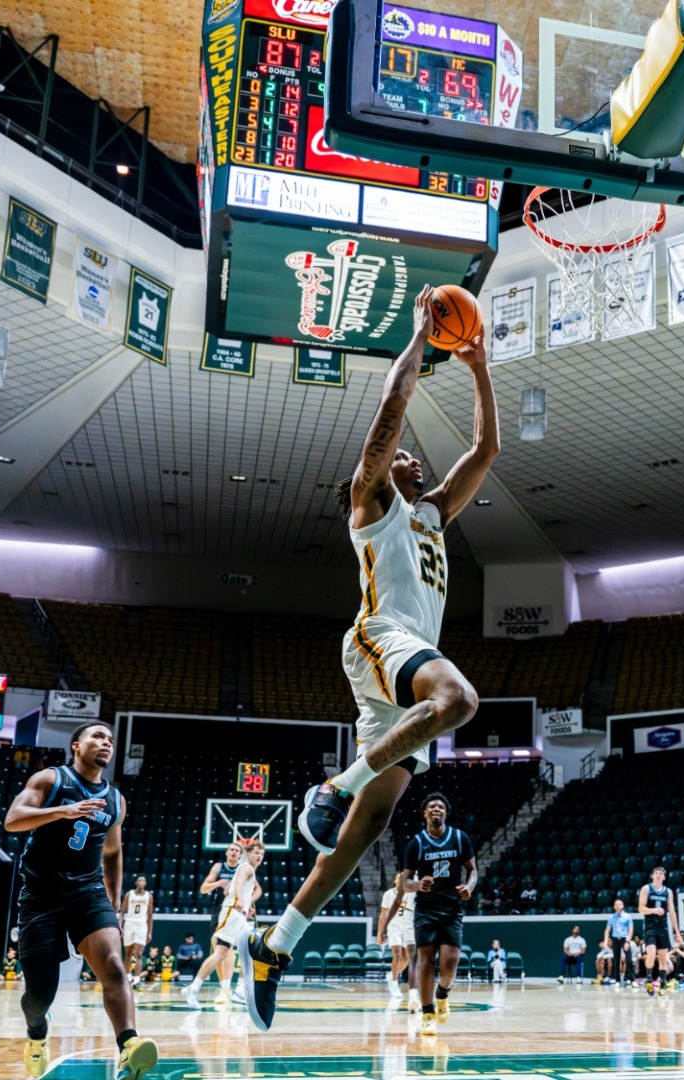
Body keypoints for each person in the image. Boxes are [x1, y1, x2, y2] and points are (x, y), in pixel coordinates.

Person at [240, 294, 496, 1033]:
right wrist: (420, 336)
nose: (413, 457)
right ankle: (335, 784)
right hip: (380, 638)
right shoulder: (371, 502)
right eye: (403, 455)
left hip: (404, 666)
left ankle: (274, 945)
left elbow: (486, 451)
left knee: (366, 828)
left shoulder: (431, 515)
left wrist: (479, 365)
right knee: (459, 701)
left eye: (413, 457)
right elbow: (392, 406)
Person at [2, 721, 157, 1079]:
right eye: (98, 736)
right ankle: (37, 1033)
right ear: (76, 745)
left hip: (88, 894)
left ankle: (129, 1045)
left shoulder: (115, 800)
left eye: (110, 739)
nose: (106, 742)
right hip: (41, 896)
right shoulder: (51, 779)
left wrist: (113, 901)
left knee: (114, 966)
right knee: (40, 995)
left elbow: (113, 851)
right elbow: (13, 820)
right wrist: (61, 811)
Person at [380, 792, 477, 1036]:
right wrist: (418, 884)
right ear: (424, 813)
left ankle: (442, 994)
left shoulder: (459, 838)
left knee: (450, 963)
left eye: (440, 806)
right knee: (425, 963)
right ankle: (428, 1014)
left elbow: (473, 870)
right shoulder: (416, 844)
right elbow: (405, 882)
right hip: (425, 911)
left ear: (446, 813)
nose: (436, 809)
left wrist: (469, 887)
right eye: (432, 806)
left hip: (451, 909)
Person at [186, 837, 264, 1007]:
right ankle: (193, 988)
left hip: (238, 914)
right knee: (221, 952)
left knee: (250, 949)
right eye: (256, 853)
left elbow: (230, 888)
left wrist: (246, 903)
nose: (259, 856)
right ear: (248, 853)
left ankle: (240, 991)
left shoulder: (245, 869)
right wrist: (241, 900)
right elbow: (239, 883)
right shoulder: (246, 867)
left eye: (262, 854)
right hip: (231, 913)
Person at [376, 868, 416, 1001]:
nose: (401, 880)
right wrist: (380, 932)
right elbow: (383, 915)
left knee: (406, 958)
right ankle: (394, 984)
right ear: (395, 881)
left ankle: (391, 975)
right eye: (399, 878)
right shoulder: (388, 894)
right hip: (393, 925)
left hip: (407, 926)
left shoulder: (410, 894)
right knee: (397, 954)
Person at [638, 867, 679, 995]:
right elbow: (641, 908)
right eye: (656, 873)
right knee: (651, 955)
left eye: (661, 873)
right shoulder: (646, 888)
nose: (658, 875)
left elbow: (672, 912)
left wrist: (677, 932)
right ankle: (649, 980)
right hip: (650, 927)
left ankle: (663, 984)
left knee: (662, 958)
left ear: (664, 877)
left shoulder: (668, 892)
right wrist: (653, 910)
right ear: (652, 876)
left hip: (663, 928)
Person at [121, 876, 155, 985]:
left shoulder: (148, 896)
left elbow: (150, 915)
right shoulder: (129, 894)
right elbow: (122, 911)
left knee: (139, 953)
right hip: (129, 923)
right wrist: (119, 925)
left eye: (143, 880)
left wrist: (149, 932)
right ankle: (127, 978)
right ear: (136, 882)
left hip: (141, 925)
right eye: (139, 880)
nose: (141, 882)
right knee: (128, 953)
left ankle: (137, 979)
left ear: (145, 883)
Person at [602, 898, 632, 986]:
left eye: (620, 904)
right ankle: (617, 980)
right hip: (615, 939)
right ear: (614, 907)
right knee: (616, 961)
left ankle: (632, 979)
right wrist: (605, 941)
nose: (618, 906)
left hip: (624, 939)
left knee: (629, 960)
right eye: (616, 904)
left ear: (623, 906)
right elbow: (607, 930)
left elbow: (630, 930)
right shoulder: (611, 917)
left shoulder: (628, 916)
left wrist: (628, 941)